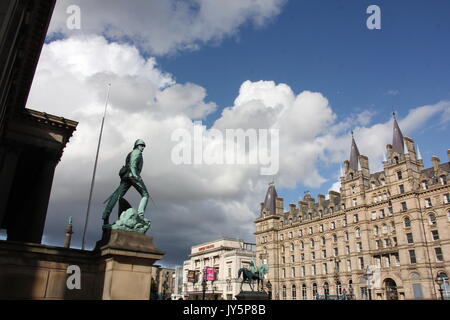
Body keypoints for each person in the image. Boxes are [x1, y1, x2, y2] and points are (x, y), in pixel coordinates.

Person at [101, 139, 149, 225]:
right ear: (137, 145)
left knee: (117, 195)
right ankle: (140, 215)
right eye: (141, 145)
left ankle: (106, 215)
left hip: (126, 176)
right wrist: (137, 177)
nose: (143, 148)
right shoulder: (137, 152)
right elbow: (133, 165)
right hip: (132, 176)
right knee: (145, 195)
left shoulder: (131, 153)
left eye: (143, 146)